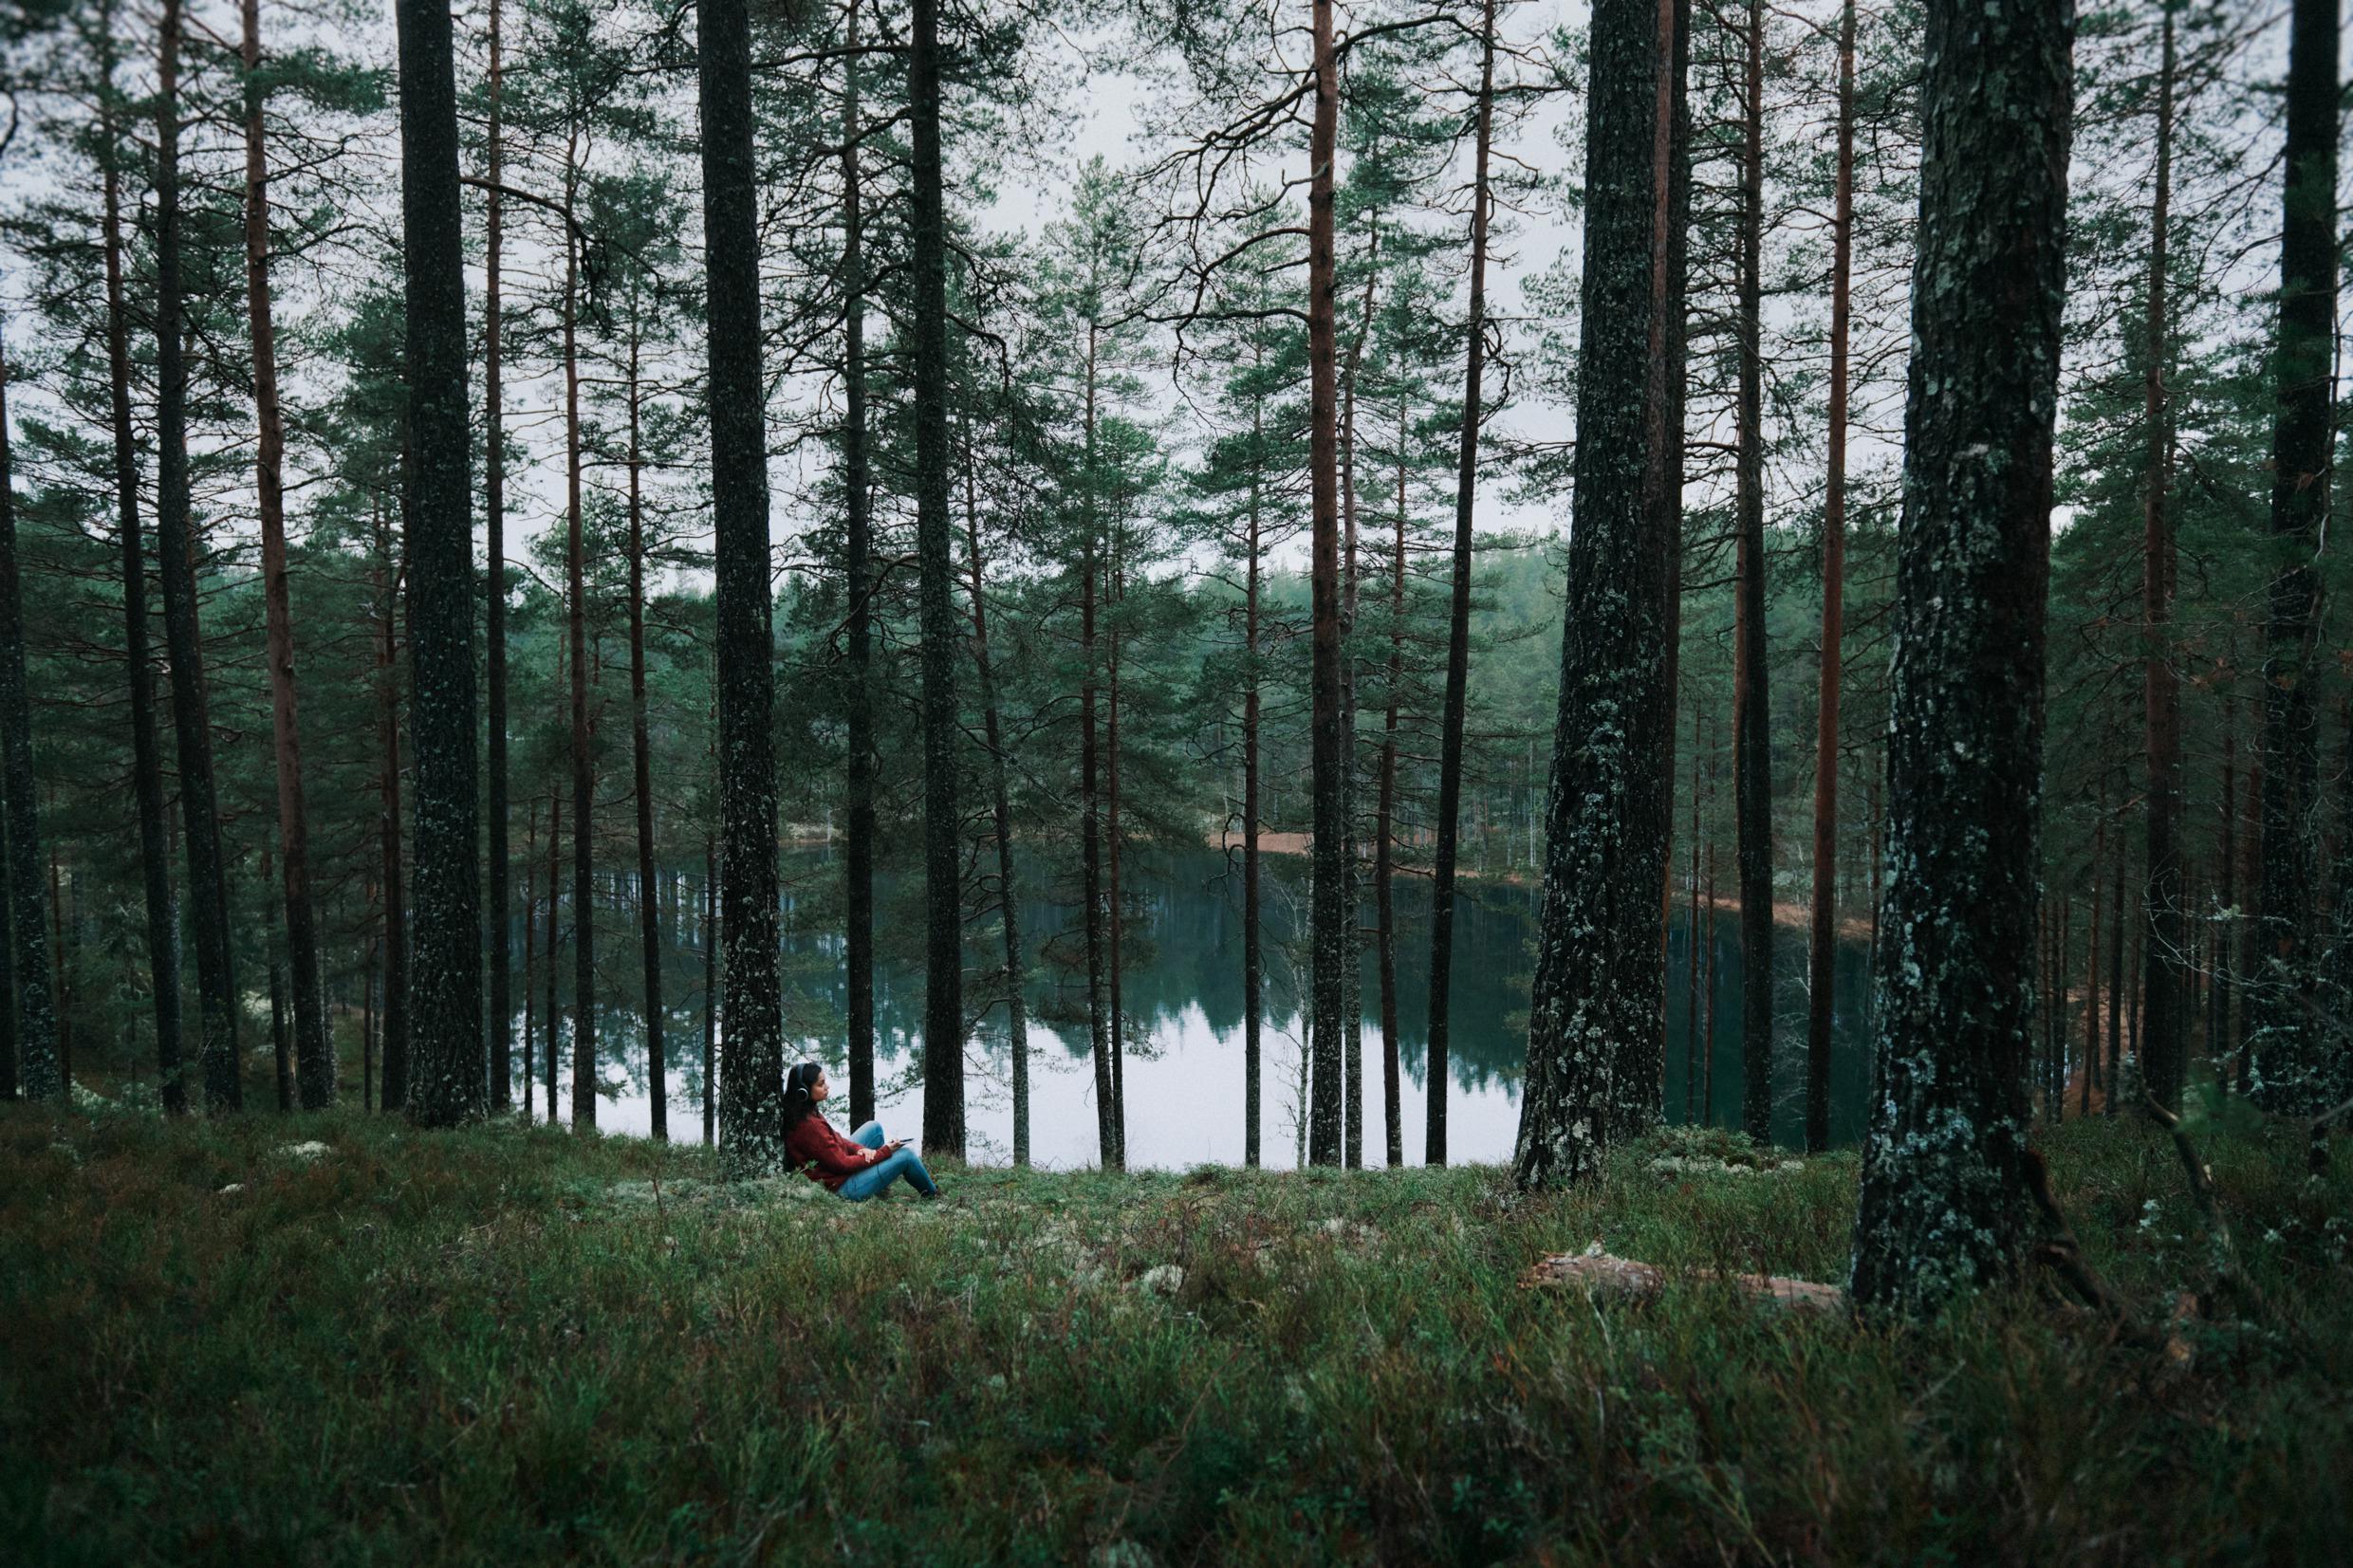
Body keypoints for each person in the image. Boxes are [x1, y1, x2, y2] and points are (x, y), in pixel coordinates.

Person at [781, 1062, 941, 1200]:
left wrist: (860, 1149)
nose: (827, 1086)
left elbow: (836, 1139)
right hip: (842, 1187)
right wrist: (884, 1152)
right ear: (803, 1090)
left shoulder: (807, 1111)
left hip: (838, 1174)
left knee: (874, 1128)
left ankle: (878, 1184)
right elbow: (842, 1164)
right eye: (821, 1084)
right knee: (906, 1155)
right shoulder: (809, 1126)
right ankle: (932, 1196)